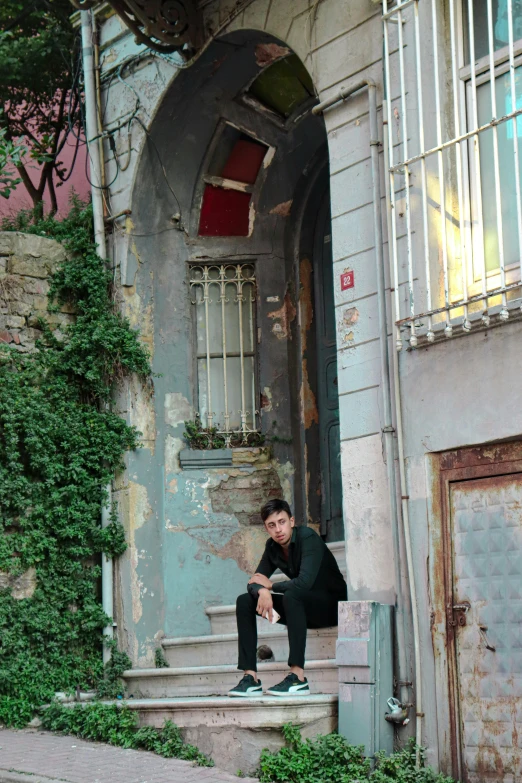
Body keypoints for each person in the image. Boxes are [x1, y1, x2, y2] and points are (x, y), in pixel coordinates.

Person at [228, 498, 347, 697]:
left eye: (282, 522)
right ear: (267, 529)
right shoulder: (272, 547)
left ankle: (298, 678)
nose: (278, 530)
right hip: (300, 612)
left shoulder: (307, 537)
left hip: (331, 608)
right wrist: (263, 592)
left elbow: (303, 583)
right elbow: (255, 581)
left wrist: (271, 585)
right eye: (272, 525)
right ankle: (250, 678)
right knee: (245, 601)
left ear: (291, 521)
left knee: (292, 594)